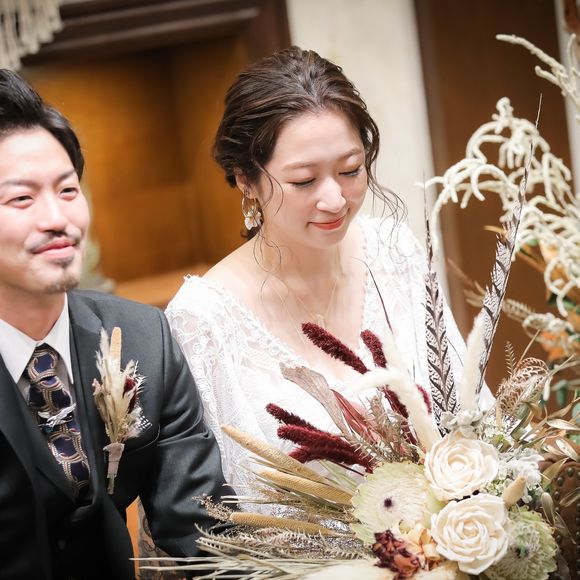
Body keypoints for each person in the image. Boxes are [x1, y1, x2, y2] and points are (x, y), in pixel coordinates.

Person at [166, 47, 494, 492]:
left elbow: (471, 409)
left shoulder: (394, 250)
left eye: (350, 170)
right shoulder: (202, 318)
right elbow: (212, 505)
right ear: (245, 178)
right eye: (304, 180)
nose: (335, 200)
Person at [0, 69, 232, 580]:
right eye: (21, 199)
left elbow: (205, 531)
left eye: (67, 190)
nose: (57, 219)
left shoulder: (143, 338)